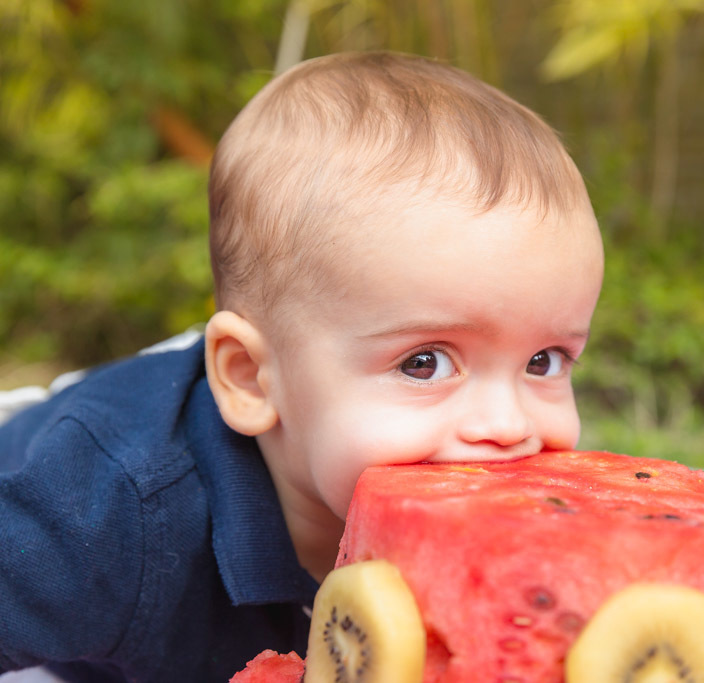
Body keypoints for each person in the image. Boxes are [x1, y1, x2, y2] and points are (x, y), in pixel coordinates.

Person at [0, 51, 604, 682]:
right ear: (252, 378)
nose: (508, 426)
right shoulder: (114, 518)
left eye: (544, 360)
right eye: (424, 363)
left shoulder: (433, 451)